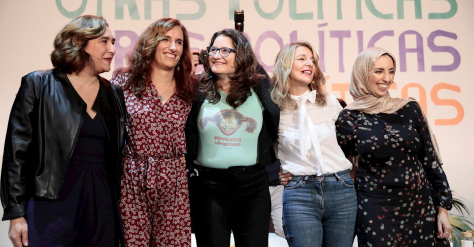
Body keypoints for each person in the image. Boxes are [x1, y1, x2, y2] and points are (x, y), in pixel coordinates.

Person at [1, 15, 126, 247]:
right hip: (50, 206)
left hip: (101, 206)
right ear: (79, 42)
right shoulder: (38, 85)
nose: (112, 49)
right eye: (104, 41)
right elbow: (16, 154)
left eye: (114, 42)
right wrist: (16, 213)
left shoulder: (114, 94)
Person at [335, 47, 453, 246]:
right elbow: (337, 164)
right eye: (379, 71)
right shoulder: (349, 117)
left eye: (391, 71)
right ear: (363, 72)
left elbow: (430, 159)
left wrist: (442, 208)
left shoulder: (409, 108)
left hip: (419, 207)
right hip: (375, 209)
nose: (387, 78)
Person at [185, 28, 280, 247]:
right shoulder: (197, 88)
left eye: (226, 50)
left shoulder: (260, 87)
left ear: (242, 56)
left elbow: (278, 123)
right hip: (208, 187)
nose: (216, 55)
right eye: (213, 49)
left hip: (252, 187)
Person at [110, 17, 195, 246]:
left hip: (174, 181)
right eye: (166, 39)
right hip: (132, 177)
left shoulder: (190, 88)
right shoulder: (124, 80)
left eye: (179, 42)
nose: (173, 47)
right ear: (151, 43)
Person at [271, 42, 357, 247]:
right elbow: (262, 148)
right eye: (301, 58)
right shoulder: (274, 107)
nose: (309, 63)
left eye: (312, 60)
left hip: (341, 188)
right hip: (300, 191)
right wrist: (277, 172)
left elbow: (349, 144)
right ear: (285, 65)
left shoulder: (330, 102)